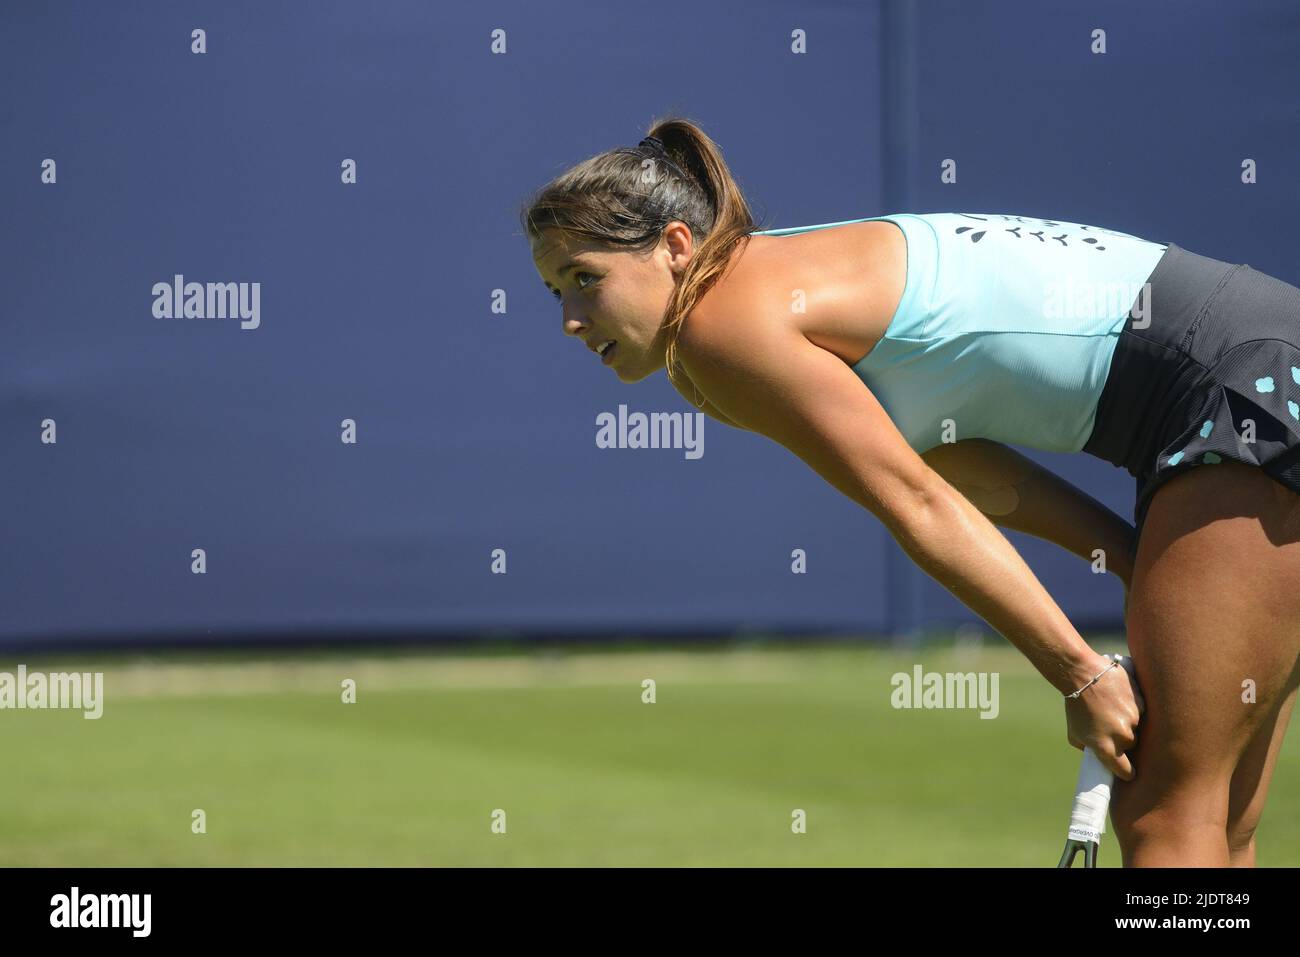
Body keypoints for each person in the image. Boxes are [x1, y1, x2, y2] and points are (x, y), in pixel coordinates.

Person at [522, 116, 1300, 866]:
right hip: (1256, 361)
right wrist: (1134, 563)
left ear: (676, 248)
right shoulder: (754, 307)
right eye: (555, 289)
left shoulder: (718, 329)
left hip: (1240, 381)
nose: (568, 319)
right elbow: (962, 472)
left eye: (586, 279)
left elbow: (916, 505)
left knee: (1167, 813)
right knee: (1216, 820)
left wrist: (1080, 671)